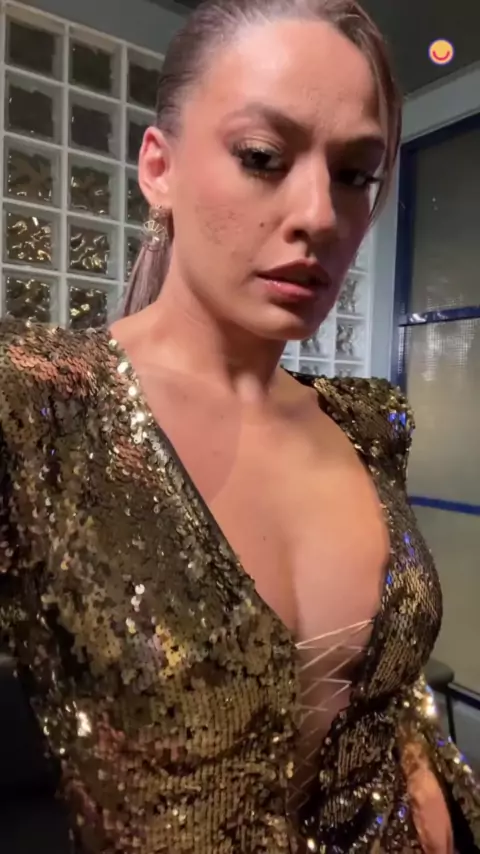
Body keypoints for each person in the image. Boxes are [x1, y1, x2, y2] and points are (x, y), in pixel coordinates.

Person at [0, 0, 478, 851]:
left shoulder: (368, 425)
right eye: (262, 156)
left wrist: (415, 753)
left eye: (355, 174)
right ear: (160, 169)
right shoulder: (39, 414)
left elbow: (382, 672)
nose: (320, 215)